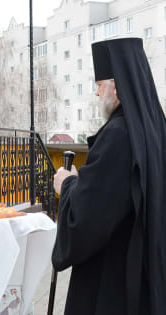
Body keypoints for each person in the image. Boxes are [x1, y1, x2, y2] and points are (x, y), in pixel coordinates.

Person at [52, 38, 166, 315]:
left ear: (116, 86)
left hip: (114, 282)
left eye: (99, 85)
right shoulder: (154, 131)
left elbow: (88, 220)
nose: (96, 94)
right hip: (146, 271)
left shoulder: (118, 134)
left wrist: (66, 184)